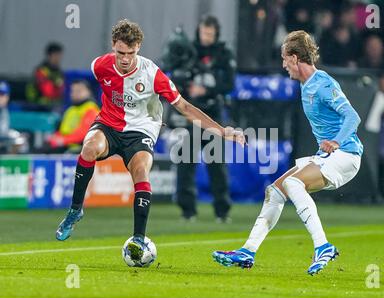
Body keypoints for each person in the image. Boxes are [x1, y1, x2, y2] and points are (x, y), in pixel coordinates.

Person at [55, 20, 245, 262]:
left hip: (141, 131)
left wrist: (223, 131)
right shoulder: (99, 66)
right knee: (89, 147)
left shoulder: (153, 74)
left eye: (130, 53)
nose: (125, 59)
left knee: (141, 172)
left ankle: (138, 239)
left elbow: (185, 107)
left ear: (139, 48)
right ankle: (75, 210)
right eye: (120, 52)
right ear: (113, 45)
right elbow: (101, 87)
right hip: (109, 125)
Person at [213, 30, 364, 275]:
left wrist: (336, 141)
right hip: (326, 156)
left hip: (346, 155)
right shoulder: (306, 85)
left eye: (284, 59)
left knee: (294, 183)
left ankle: (322, 246)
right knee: (275, 191)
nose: (283, 65)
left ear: (295, 58)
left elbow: (352, 117)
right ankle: (248, 251)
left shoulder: (323, 83)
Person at [165, 15, 236, 223]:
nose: (207, 37)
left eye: (210, 34)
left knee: (217, 166)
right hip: (190, 115)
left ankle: (222, 211)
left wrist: (206, 90)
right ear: (199, 31)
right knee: (185, 165)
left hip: (212, 115)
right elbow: (173, 74)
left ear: (216, 34)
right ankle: (188, 211)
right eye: (204, 32)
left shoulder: (223, 53)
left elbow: (229, 84)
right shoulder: (188, 49)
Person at [44, 80, 99, 153]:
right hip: (66, 146)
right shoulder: (70, 110)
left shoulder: (91, 109)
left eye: (79, 91)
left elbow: (84, 134)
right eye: (73, 91)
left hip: (81, 149)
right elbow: (63, 131)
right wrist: (54, 138)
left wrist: (63, 140)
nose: (75, 94)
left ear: (88, 92)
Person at [26, 42, 65, 110]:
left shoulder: (58, 71)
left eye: (60, 55)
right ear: (50, 55)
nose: (59, 57)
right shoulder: (41, 71)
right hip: (38, 105)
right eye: (56, 55)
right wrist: (58, 86)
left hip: (53, 104)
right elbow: (48, 92)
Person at [0, 81, 28, 154]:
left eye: (2, 94)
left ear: (7, 97)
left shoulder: (4, 110)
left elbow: (4, 130)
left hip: (3, 139)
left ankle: (8, 164)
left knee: (20, 141)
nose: (0, 97)